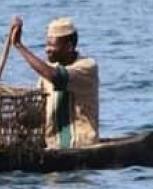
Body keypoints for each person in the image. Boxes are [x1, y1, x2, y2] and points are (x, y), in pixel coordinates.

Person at [10, 15, 99, 148]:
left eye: (52, 46)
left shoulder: (87, 67)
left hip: (79, 144)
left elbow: (56, 78)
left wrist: (18, 45)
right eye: (47, 44)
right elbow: (38, 114)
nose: (47, 50)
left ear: (69, 47)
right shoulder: (48, 72)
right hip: (52, 144)